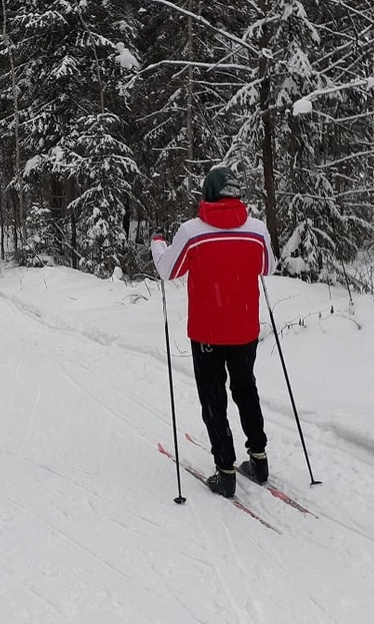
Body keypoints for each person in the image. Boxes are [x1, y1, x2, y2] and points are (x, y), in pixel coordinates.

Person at [150, 166, 277, 498]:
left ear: (207, 194)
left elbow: (168, 270)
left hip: (207, 331)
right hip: (245, 327)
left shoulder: (192, 232)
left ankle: (225, 472)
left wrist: (157, 244)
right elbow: (269, 266)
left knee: (213, 398)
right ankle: (259, 460)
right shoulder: (256, 230)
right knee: (246, 389)